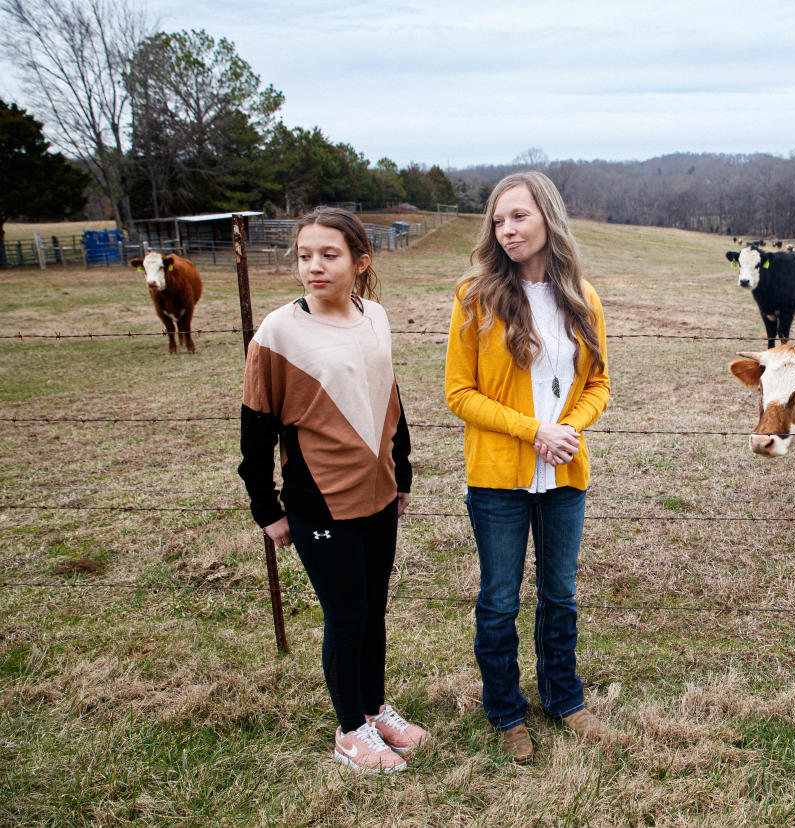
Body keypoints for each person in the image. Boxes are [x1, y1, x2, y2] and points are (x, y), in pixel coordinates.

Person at [238, 206, 428, 774]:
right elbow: (256, 433)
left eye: (329, 255)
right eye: (304, 256)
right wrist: (266, 510)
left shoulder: (376, 317)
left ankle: (373, 707)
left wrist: (403, 474)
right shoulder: (278, 332)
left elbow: (389, 401)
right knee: (345, 617)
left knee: (373, 613)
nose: (313, 267)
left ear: (360, 262)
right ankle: (350, 731)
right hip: (319, 502)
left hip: (379, 495)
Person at [445, 171, 611, 764]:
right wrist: (532, 429)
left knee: (560, 597)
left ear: (548, 218)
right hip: (497, 479)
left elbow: (599, 383)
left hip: (564, 475)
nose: (507, 229)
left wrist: (570, 428)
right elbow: (459, 393)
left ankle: (565, 701)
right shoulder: (476, 296)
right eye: (498, 220)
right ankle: (506, 711)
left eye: (519, 216)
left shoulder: (581, 297)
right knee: (499, 600)